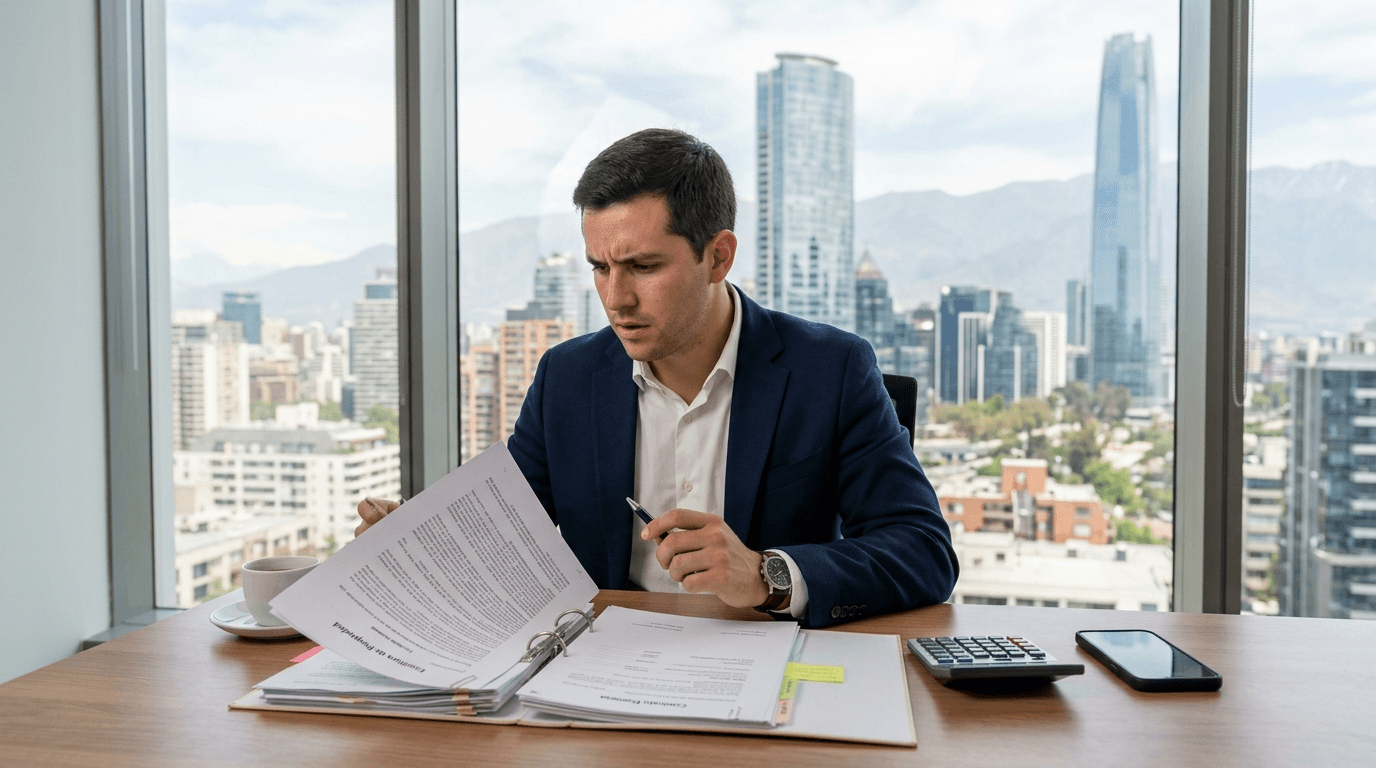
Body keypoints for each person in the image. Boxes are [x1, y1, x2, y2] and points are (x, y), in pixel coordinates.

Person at [358, 128, 957, 627]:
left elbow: (923, 551)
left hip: (771, 671)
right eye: (599, 268)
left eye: (643, 267)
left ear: (718, 256)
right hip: (600, 676)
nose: (616, 299)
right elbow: (507, 536)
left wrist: (766, 575)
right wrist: (415, 544)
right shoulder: (567, 377)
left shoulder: (831, 369)